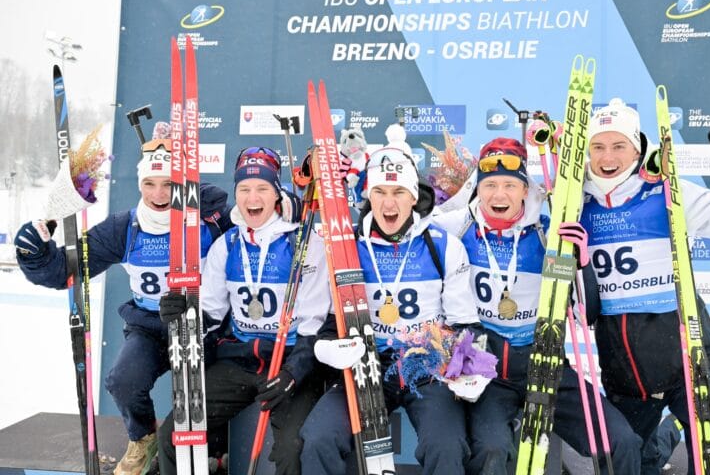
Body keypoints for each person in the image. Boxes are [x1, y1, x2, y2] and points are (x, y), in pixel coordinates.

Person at [14, 132, 232, 475]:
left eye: (168, 184)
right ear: (140, 184)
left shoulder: (207, 221)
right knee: (123, 380)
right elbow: (64, 272)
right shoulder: (124, 227)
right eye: (149, 184)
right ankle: (142, 440)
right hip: (149, 327)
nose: (159, 195)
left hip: (202, 328)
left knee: (204, 399)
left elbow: (252, 223)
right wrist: (35, 254)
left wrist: (202, 197)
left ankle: (216, 450)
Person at [432, 137, 642, 474]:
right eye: (491, 186)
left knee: (621, 442)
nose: (498, 195)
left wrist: (581, 262)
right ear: (478, 189)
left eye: (509, 185)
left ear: (525, 190)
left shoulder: (549, 236)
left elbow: (586, 313)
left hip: (546, 366)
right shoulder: (457, 228)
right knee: (491, 451)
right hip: (490, 377)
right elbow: (404, 227)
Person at [580, 98, 710, 474]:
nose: (607, 156)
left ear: (638, 148)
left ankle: (681, 424)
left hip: (688, 359)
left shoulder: (668, 194)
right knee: (628, 463)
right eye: (598, 146)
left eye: (619, 145)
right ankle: (670, 432)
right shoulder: (574, 202)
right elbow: (497, 199)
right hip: (624, 370)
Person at [300, 144, 482, 475]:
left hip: (427, 369)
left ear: (414, 196)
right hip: (366, 366)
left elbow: (464, 323)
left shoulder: (442, 245)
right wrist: (327, 346)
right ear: (369, 195)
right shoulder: (346, 246)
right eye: (380, 191)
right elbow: (327, 319)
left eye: (399, 191)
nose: (388, 202)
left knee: (446, 446)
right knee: (317, 439)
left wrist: (466, 364)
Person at [157, 147, 329, 475]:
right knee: (175, 434)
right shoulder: (228, 245)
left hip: (288, 364)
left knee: (294, 449)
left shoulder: (304, 244)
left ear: (276, 194)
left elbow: (313, 323)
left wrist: (292, 375)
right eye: (244, 189)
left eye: (262, 188)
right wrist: (181, 312)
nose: (253, 198)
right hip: (239, 363)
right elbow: (209, 312)